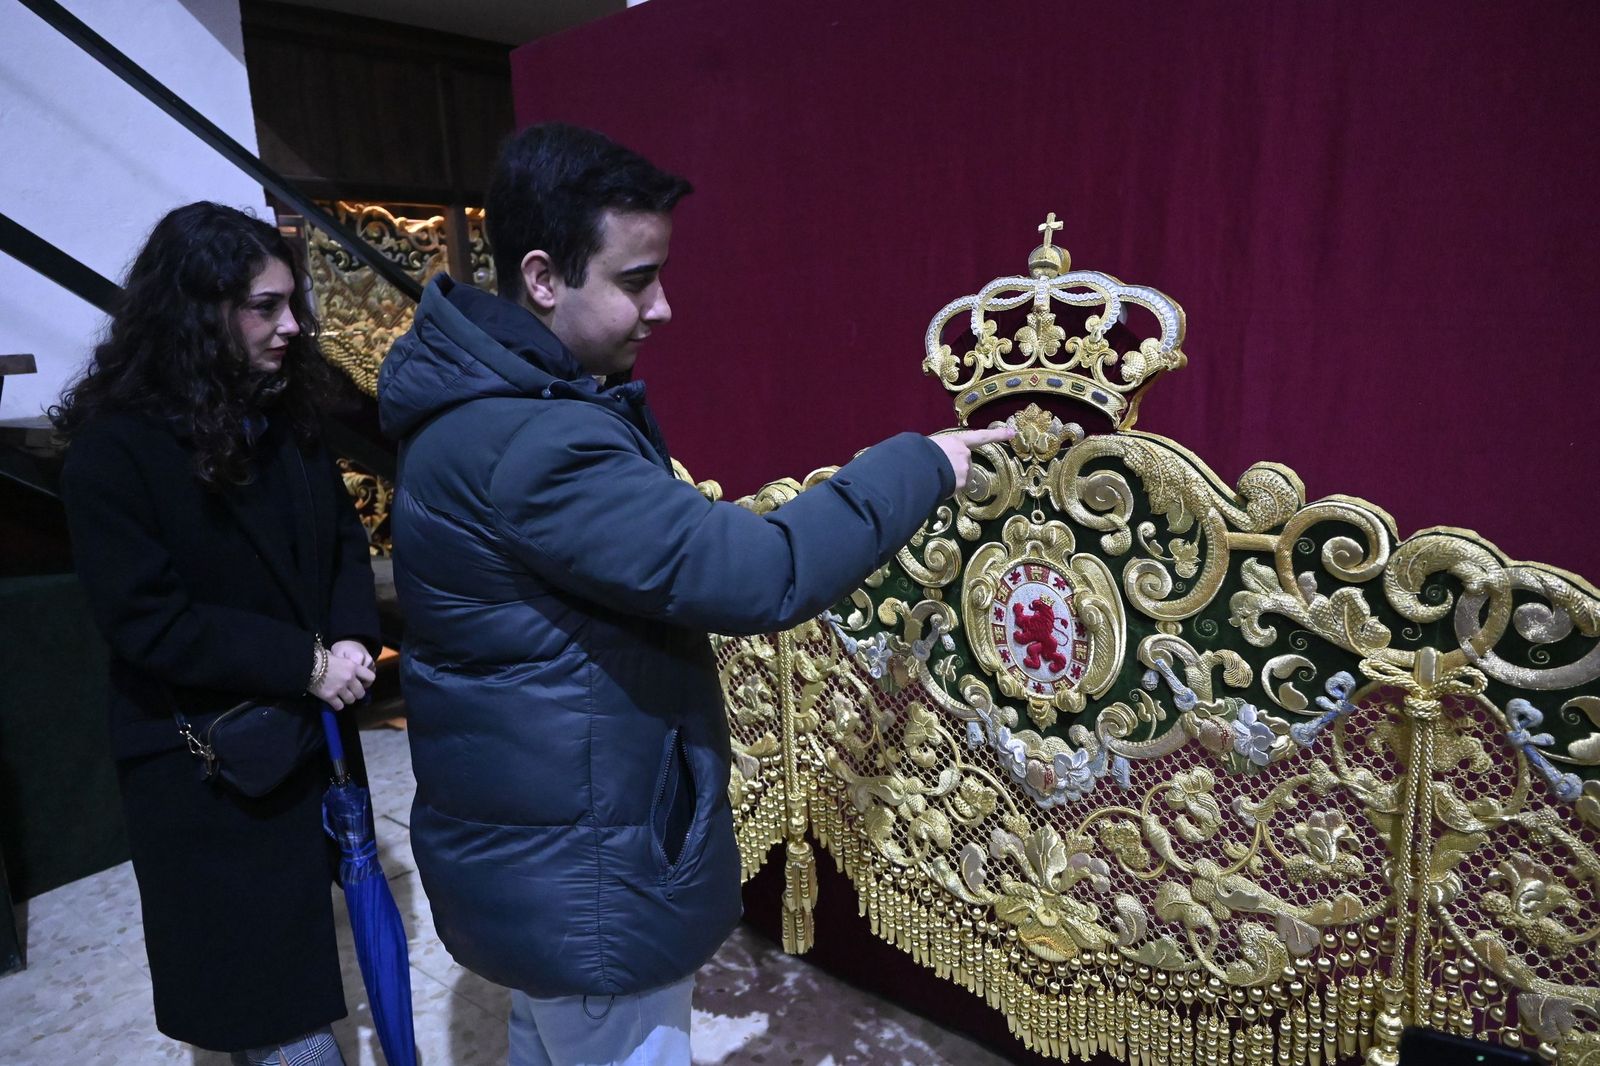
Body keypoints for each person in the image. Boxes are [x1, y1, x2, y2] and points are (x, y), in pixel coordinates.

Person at [378, 122, 1008, 1066]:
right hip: (588, 874)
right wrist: (919, 464)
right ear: (543, 278)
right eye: (636, 280)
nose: (663, 307)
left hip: (543, 854)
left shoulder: (483, 408)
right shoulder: (535, 444)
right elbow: (763, 573)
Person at [53, 202, 381, 1066]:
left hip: (302, 742)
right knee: (271, 1007)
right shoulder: (113, 451)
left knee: (292, 965)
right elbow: (148, 620)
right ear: (196, 315)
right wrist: (305, 663)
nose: (293, 325)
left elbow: (342, 541)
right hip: (205, 765)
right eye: (266, 307)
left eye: (291, 302)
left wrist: (351, 637)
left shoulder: (282, 416)